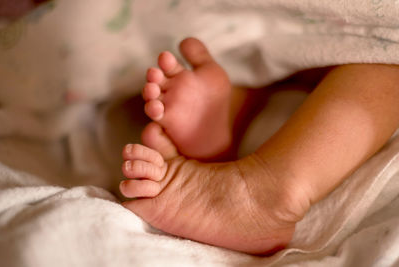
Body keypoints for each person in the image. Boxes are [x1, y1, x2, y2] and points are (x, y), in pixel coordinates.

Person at [119, 37, 399, 254]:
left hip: (343, 153)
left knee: (386, 64)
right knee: (354, 54)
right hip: (306, 123)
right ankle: (232, 128)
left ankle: (259, 193)